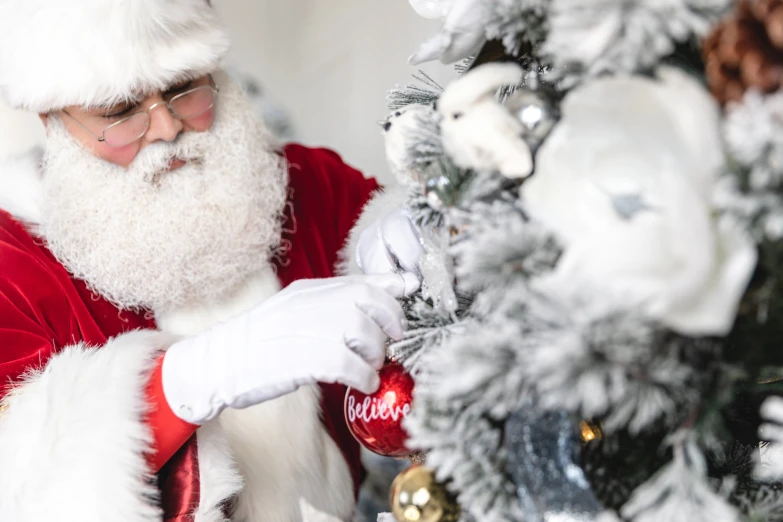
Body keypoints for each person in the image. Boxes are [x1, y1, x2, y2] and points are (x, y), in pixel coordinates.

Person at [0, 1, 423, 521]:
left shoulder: (305, 184)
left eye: (184, 87)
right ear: (52, 120)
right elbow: (23, 484)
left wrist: (410, 229)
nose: (166, 127)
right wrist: (191, 380)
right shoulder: (11, 260)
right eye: (119, 110)